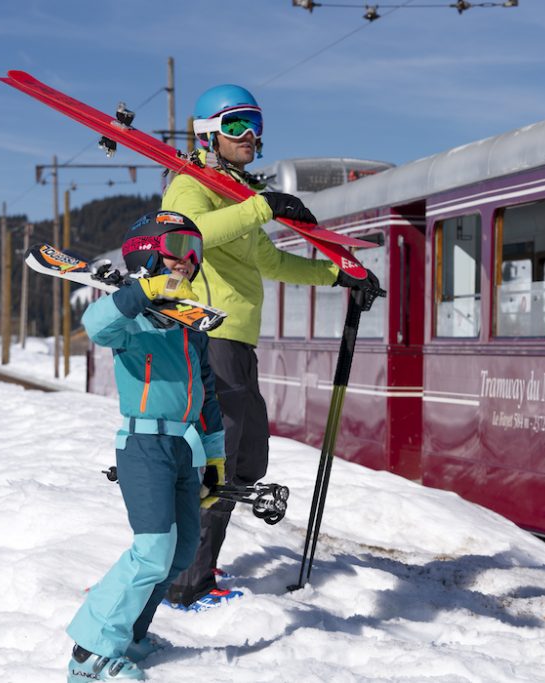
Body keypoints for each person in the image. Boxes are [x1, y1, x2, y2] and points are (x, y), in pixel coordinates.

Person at [160, 84, 381, 610]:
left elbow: (270, 263)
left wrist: (339, 276)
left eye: (256, 123)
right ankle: (186, 581)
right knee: (221, 459)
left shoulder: (235, 189)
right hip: (207, 335)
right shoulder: (191, 185)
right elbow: (188, 234)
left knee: (243, 460)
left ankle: (194, 567)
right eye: (237, 124)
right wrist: (259, 206)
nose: (251, 135)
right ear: (207, 132)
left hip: (236, 342)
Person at [66, 210, 226, 681]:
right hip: (143, 445)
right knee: (153, 550)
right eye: (179, 250)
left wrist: (215, 456)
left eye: (195, 254)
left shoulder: (187, 323)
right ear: (146, 252)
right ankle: (89, 654)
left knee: (179, 554)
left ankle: (130, 636)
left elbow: (208, 395)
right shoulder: (129, 317)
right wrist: (141, 294)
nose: (189, 262)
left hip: (184, 448)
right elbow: (95, 326)